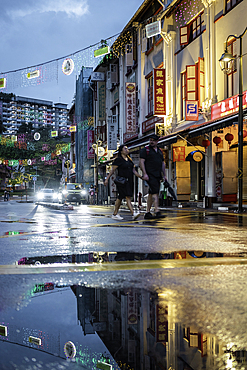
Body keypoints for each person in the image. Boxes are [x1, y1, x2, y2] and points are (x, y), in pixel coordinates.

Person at [104, 145, 142, 220]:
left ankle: (115, 214)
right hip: (122, 181)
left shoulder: (129, 159)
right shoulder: (118, 160)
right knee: (127, 196)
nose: (127, 150)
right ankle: (133, 213)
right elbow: (112, 171)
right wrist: (107, 179)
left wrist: (141, 177)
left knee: (120, 197)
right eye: (125, 148)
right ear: (121, 151)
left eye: (127, 148)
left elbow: (134, 170)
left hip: (129, 181)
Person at [139, 134, 166, 219]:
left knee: (151, 193)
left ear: (157, 141)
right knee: (155, 192)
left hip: (157, 174)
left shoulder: (159, 151)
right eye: (150, 140)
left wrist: (164, 175)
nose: (152, 142)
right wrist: (145, 173)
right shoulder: (145, 150)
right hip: (150, 175)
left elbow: (162, 163)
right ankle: (157, 211)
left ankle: (147, 212)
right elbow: (141, 162)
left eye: (153, 140)